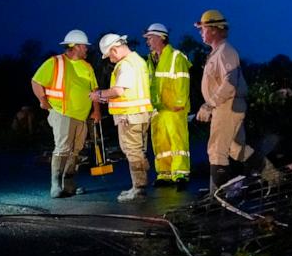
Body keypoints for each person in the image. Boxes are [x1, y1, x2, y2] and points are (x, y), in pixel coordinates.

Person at [194, 9, 279, 191]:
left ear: (214, 29)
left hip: (227, 105)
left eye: (203, 29)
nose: (201, 33)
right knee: (235, 148)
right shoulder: (218, 53)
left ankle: (218, 197)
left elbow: (230, 83)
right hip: (227, 106)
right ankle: (273, 175)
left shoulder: (226, 51)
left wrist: (210, 104)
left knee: (217, 150)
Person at [30, 30, 103, 198]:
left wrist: (97, 111)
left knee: (76, 151)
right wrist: (42, 100)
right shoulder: (55, 62)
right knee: (63, 148)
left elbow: (95, 90)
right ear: (76, 46)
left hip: (82, 116)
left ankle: (69, 185)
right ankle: (56, 185)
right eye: (85, 46)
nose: (87, 49)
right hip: (62, 112)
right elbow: (36, 82)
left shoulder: (87, 66)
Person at [90, 34, 153, 202]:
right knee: (138, 151)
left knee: (132, 152)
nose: (110, 59)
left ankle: (139, 189)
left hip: (129, 116)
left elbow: (119, 91)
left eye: (110, 55)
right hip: (139, 114)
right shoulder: (138, 61)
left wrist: (99, 94)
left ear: (115, 49)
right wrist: (106, 98)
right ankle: (140, 185)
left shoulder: (125, 64)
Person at [143, 23, 192, 188]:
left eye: (150, 38)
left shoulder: (176, 56)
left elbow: (182, 79)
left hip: (174, 108)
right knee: (160, 142)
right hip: (158, 109)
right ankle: (164, 174)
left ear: (161, 37)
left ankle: (181, 174)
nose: (147, 41)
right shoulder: (150, 60)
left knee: (177, 141)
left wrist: (179, 103)